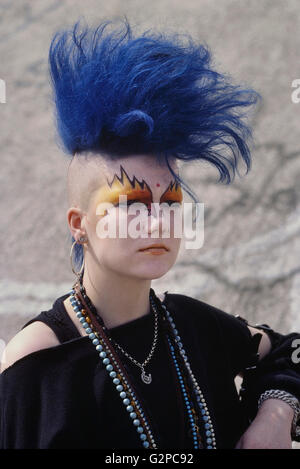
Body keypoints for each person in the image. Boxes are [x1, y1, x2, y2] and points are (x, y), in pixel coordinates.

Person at [0, 17, 299, 450]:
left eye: (171, 203)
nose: (157, 222)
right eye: (131, 204)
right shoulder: (39, 361)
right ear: (79, 225)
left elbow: (289, 350)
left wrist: (275, 415)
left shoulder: (192, 325)